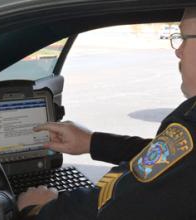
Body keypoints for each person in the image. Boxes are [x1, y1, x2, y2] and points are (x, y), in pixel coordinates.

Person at [17, 7, 196, 220]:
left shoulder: (190, 124)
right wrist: (92, 142)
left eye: (184, 38)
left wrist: (37, 210)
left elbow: (116, 207)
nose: (178, 51)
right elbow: (166, 159)